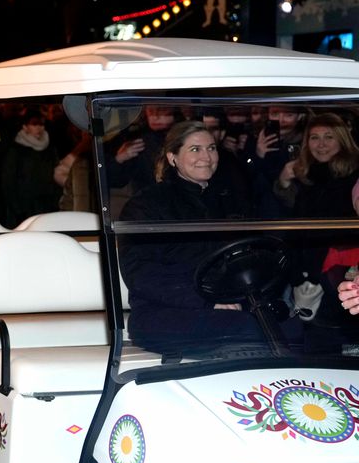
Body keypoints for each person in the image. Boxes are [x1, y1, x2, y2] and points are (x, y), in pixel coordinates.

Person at [118, 120, 300, 356]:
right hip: (163, 310)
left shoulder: (228, 199)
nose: (206, 156)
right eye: (195, 149)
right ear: (173, 157)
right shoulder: (145, 206)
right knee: (251, 331)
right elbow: (141, 275)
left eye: (211, 148)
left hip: (230, 302)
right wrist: (206, 301)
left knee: (294, 327)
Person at [273, 112, 359, 327]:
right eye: (314, 137)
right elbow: (292, 215)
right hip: (305, 262)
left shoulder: (354, 173)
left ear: (342, 139)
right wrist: (283, 183)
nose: (321, 144)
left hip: (341, 262)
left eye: (329, 137)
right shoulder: (304, 172)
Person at [0, 109, 61, 227]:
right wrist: (17, 208)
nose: (39, 128)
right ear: (25, 126)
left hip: (47, 206)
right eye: (34, 124)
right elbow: (8, 180)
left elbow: (55, 175)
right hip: (23, 208)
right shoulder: (15, 150)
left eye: (42, 124)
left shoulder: (50, 149)